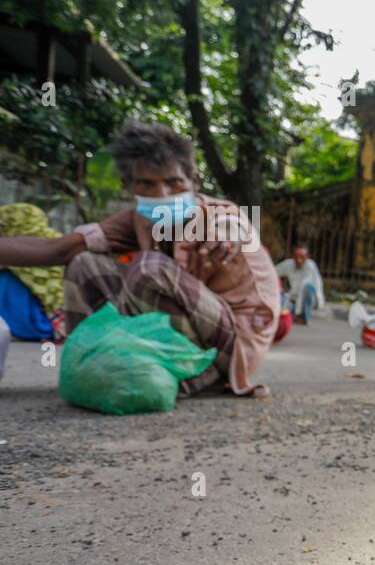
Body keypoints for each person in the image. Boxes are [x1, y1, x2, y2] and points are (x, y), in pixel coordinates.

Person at [0, 121, 280, 397]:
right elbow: (59, 249)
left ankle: (188, 373)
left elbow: (231, 230)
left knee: (149, 268)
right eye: (147, 184)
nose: (162, 195)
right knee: (84, 263)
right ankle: (89, 364)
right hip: (185, 326)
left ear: (193, 182)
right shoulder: (133, 219)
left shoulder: (220, 215)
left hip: (233, 343)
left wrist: (222, 242)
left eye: (173, 183)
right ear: (128, 185)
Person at [275, 243, 324, 325]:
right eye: (296, 257)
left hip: (310, 299)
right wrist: (278, 287)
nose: (299, 260)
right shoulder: (289, 264)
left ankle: (304, 317)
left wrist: (298, 313)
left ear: (307, 257)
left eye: (302, 257)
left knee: (308, 289)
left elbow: (302, 288)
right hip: (294, 299)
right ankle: (293, 315)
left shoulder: (310, 266)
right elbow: (272, 272)